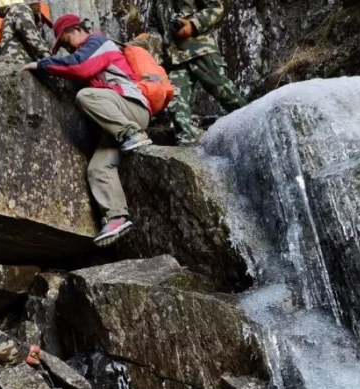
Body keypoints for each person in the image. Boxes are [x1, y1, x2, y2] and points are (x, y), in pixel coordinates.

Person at [20, 14, 153, 247]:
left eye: (65, 39)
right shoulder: (90, 48)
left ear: (76, 29)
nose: (66, 47)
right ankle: (116, 217)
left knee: (85, 96)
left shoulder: (98, 43)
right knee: (98, 168)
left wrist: (40, 65)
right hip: (117, 119)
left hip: (132, 109)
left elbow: (80, 66)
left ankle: (132, 134)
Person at [150, 0, 248, 146]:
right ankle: (186, 144)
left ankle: (252, 122)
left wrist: (193, 25)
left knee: (224, 91)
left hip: (201, 51)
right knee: (176, 102)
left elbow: (215, 7)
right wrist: (146, 42)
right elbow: (155, 29)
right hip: (175, 60)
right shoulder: (156, 3)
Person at [0, 1, 53, 71]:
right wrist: (45, 53)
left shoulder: (20, 11)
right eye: (42, 20)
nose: (41, 23)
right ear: (38, 12)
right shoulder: (22, 9)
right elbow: (27, 28)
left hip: (18, 59)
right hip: (13, 58)